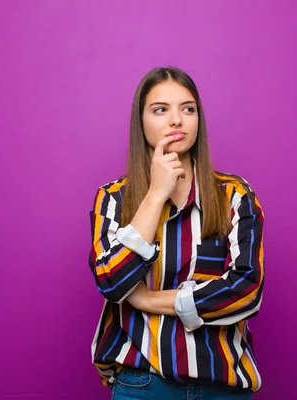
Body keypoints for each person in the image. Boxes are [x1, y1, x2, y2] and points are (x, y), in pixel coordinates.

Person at [88, 66, 265, 399]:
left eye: (188, 109)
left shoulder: (234, 195)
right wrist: (155, 195)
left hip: (222, 386)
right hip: (143, 384)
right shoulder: (113, 198)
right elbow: (111, 281)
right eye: (160, 110)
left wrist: (147, 299)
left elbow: (246, 290)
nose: (177, 120)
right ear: (141, 122)